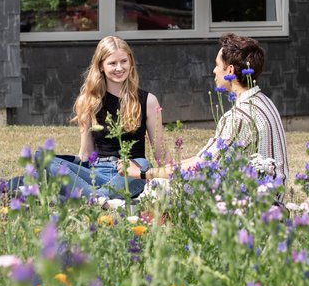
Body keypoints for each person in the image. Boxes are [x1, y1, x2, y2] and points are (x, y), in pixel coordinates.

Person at [120, 33, 289, 197]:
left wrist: (144, 173)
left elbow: (200, 165)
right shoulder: (264, 101)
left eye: (217, 64)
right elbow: (204, 159)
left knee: (160, 187)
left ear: (229, 70)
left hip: (255, 203)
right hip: (272, 195)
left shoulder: (238, 117)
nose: (214, 70)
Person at [45, 36, 166, 199]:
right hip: (96, 173)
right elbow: (86, 153)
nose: (119, 68)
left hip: (131, 172)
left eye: (124, 61)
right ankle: (101, 198)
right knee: (43, 159)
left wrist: (176, 174)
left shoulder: (148, 101)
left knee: (143, 164)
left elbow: (161, 154)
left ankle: (90, 198)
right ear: (101, 66)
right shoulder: (88, 102)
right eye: (112, 63)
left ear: (130, 63)